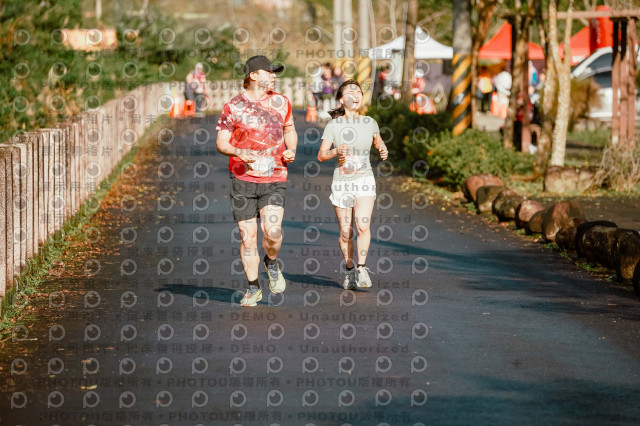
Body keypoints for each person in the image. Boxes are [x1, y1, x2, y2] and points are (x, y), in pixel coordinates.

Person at [216, 55, 297, 307]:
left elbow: (289, 129)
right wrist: (239, 152)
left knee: (272, 232)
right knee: (247, 237)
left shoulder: (281, 102)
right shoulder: (233, 107)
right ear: (253, 75)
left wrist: (292, 149)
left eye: (274, 72)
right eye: (269, 72)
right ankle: (253, 287)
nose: (273, 76)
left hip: (274, 176)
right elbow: (221, 143)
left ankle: (271, 262)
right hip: (242, 178)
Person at [317, 80, 389, 290]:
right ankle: (349, 269)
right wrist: (336, 151)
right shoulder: (333, 126)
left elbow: (378, 141)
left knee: (362, 225)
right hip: (342, 182)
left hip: (364, 180)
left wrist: (382, 148)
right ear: (341, 100)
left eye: (359, 92)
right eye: (351, 92)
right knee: (345, 233)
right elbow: (321, 155)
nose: (356, 95)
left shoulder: (370, 122)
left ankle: (361, 268)